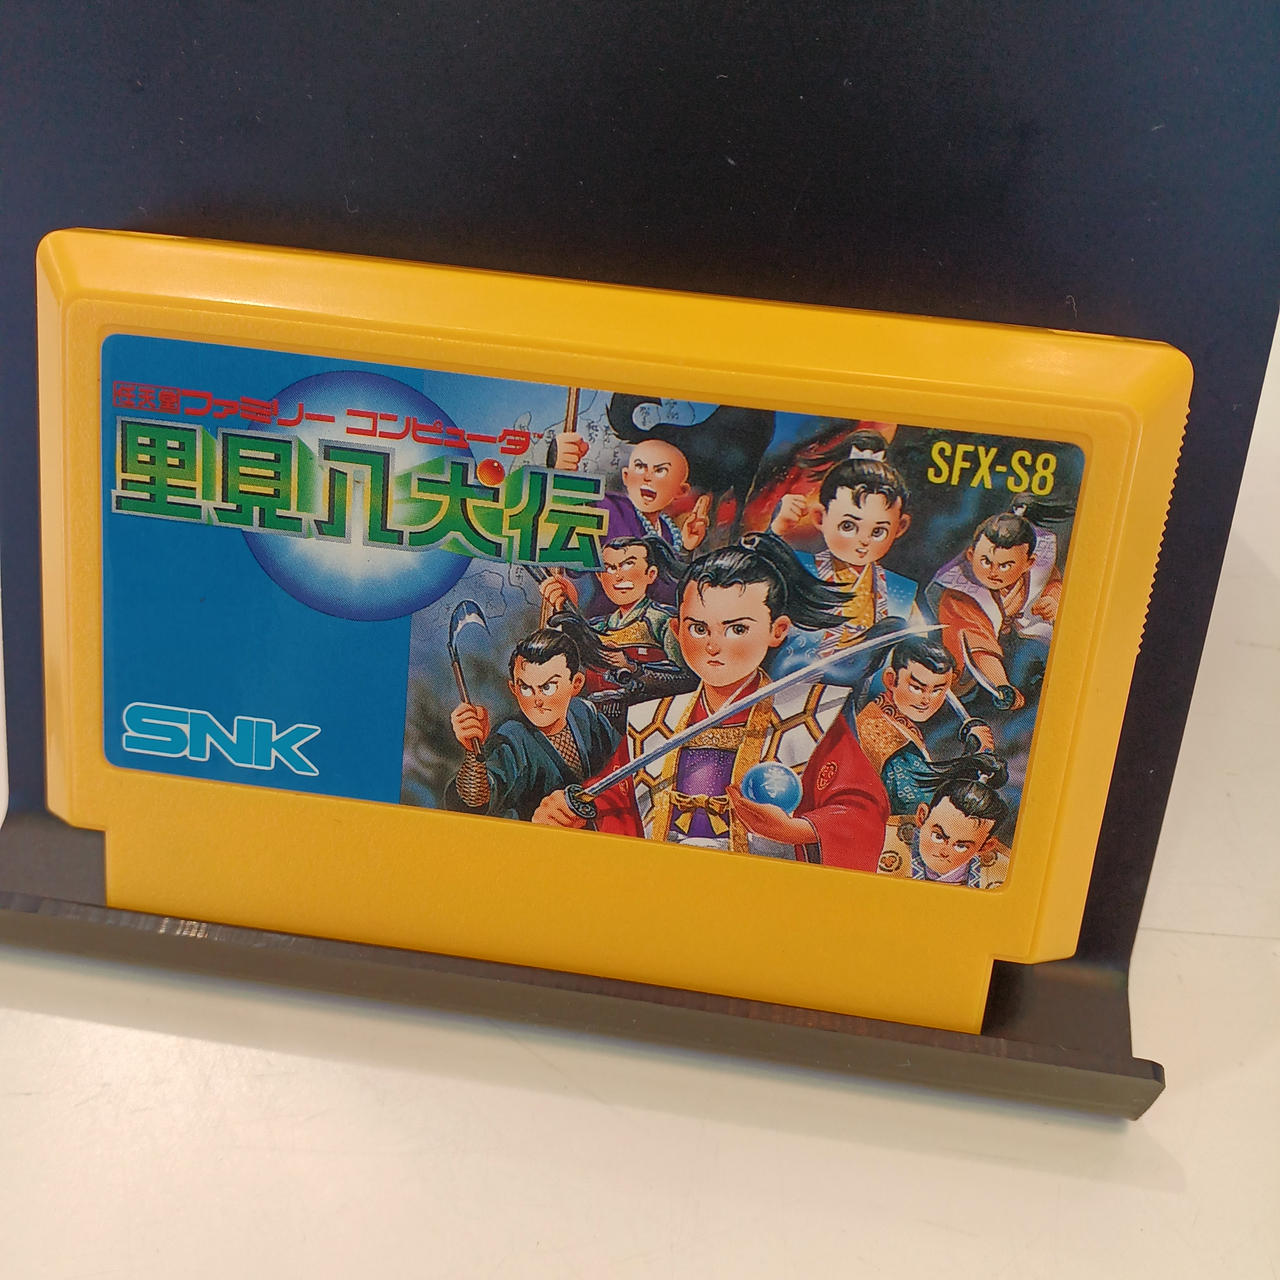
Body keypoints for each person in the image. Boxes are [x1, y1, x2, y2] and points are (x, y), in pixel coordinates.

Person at [532, 532, 889, 867]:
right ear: (676, 629)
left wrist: (793, 830)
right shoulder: (652, 719)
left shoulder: (810, 715)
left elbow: (861, 810)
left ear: (777, 630)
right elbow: (618, 797)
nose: (713, 646)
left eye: (737, 629)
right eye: (699, 628)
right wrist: (572, 811)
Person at [444, 624, 620, 823]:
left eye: (548, 687)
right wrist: (473, 755)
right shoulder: (510, 737)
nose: (537, 700)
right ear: (513, 688)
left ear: (576, 683)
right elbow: (473, 802)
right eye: (526, 688)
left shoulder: (584, 713)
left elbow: (622, 759)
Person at [770, 448, 918, 651]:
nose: (864, 541)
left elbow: (915, 647)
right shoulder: (795, 567)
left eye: (878, 531)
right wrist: (774, 530)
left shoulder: (900, 590)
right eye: (848, 526)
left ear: (900, 527)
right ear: (820, 517)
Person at [925, 505, 1063, 711]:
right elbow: (980, 649)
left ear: (1028, 563)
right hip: (972, 671)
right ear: (971, 555)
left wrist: (1054, 598)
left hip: (1021, 642)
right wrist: (1002, 686)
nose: (993, 572)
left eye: (1005, 565)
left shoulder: (1036, 567)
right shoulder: (960, 595)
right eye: (985, 561)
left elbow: (1052, 580)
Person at [854, 636, 995, 815]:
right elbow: (919, 803)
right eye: (917, 688)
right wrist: (971, 761)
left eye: (937, 690)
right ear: (891, 680)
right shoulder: (880, 730)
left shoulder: (893, 718)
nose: (926, 700)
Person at [538, 535, 684, 667]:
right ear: (599, 576)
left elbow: (685, 678)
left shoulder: (663, 621)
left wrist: (632, 667)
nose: (618, 576)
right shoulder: (597, 626)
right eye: (610, 568)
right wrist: (568, 608)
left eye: (628, 565)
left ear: (651, 574)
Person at [874, 754, 1011, 888]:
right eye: (938, 836)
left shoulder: (1001, 875)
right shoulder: (886, 843)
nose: (944, 852)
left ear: (985, 846)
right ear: (922, 816)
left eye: (961, 846)